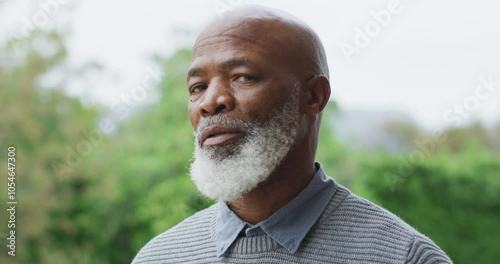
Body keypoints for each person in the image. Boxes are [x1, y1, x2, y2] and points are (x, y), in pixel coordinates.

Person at [132, 5, 452, 264]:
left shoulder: (403, 256)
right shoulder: (159, 256)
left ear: (313, 96)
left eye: (243, 77)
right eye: (197, 87)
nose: (211, 101)